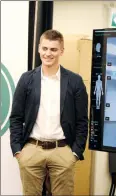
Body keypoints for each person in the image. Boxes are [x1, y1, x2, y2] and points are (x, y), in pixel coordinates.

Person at [9, 29, 88, 195]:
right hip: (32, 149)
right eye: (44, 48)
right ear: (39, 48)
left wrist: (74, 153)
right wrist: (18, 150)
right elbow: (16, 117)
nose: (48, 53)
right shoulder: (26, 79)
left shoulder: (75, 81)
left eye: (53, 49)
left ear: (61, 51)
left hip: (62, 150)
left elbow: (82, 121)